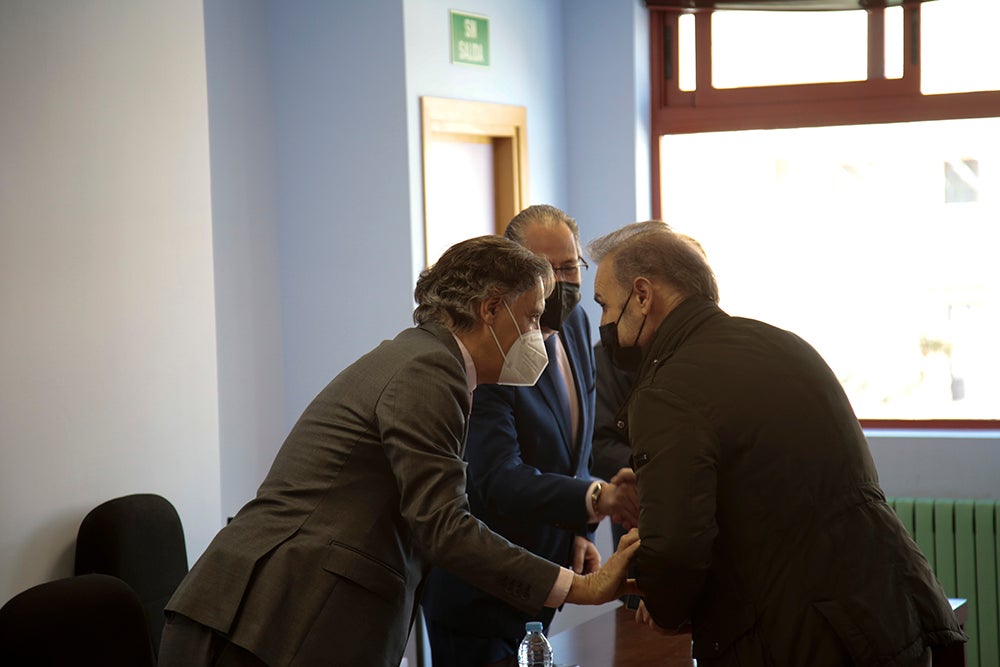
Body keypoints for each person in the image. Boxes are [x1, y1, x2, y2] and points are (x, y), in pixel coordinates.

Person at [158, 235, 640, 667]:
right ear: (490, 310)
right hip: (268, 621)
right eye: (533, 317)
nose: (542, 334)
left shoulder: (427, 360)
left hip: (285, 616)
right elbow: (444, 527)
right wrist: (579, 588)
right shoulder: (429, 372)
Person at [587, 221, 966, 666]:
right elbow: (772, 487)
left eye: (605, 305)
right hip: (887, 609)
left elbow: (676, 548)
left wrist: (665, 599)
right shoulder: (782, 344)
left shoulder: (667, 389)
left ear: (643, 295)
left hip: (803, 636)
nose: (604, 323)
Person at [420, 205, 638, 667]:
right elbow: (496, 477)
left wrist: (578, 528)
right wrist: (596, 497)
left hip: (543, 586)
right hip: (478, 596)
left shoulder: (578, 324)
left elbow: (576, 448)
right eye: (545, 269)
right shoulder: (493, 347)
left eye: (569, 266)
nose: (561, 281)